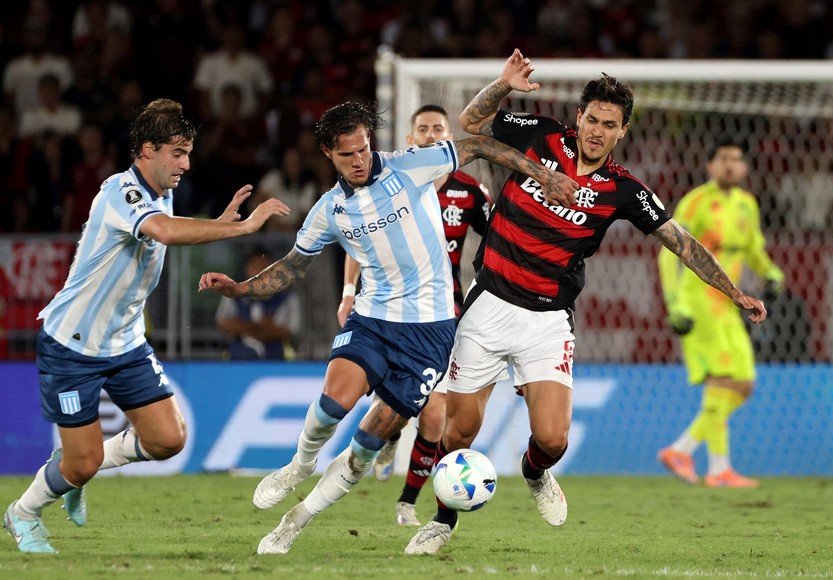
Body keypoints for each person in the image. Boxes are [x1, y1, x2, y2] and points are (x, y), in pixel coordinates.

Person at [404, 49, 769, 555]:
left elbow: (680, 241)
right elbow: (469, 123)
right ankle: (444, 521)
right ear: (579, 117)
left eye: (609, 124)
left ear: (623, 132)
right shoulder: (541, 135)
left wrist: (733, 291)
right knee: (460, 429)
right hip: (488, 304)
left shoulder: (623, 190)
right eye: (592, 119)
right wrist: (503, 84)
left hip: (548, 320)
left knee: (553, 440)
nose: (597, 130)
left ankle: (535, 474)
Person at [198, 101, 579, 555]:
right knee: (331, 403)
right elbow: (292, 268)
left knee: (363, 447)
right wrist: (240, 290)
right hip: (374, 318)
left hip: (430, 334)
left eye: (363, 149)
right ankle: (299, 465)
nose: (359, 160)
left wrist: (545, 175)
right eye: (347, 155)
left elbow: (476, 144)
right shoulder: (329, 210)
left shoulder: (411, 166)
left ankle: (293, 522)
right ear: (327, 153)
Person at [2, 98, 290, 554]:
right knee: (81, 464)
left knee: (168, 439)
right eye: (177, 152)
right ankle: (23, 512)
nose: (186, 164)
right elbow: (167, 232)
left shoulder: (163, 191)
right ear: (147, 150)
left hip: (125, 341)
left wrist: (215, 223)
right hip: (73, 344)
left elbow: (169, 226)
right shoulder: (121, 190)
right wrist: (241, 229)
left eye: (188, 152)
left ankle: (79, 464)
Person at [336, 104, 492, 527]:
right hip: (390, 315)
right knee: (400, 409)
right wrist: (349, 291)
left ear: (447, 137)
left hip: (444, 317)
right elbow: (359, 244)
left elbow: (497, 240)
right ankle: (389, 435)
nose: (429, 135)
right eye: (421, 129)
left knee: (436, 416)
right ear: (410, 140)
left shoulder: (470, 192)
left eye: (438, 128)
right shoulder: (389, 183)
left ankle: (407, 500)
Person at [657, 137, 785, 488]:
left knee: (743, 383)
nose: (730, 165)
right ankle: (717, 468)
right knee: (723, 380)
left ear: (744, 167)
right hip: (699, 301)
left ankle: (687, 452)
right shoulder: (696, 202)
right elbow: (668, 252)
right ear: (710, 166)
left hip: (730, 304)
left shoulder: (747, 204)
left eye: (736, 159)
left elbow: (755, 250)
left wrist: (772, 273)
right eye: (723, 158)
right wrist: (676, 304)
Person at [216, 246, 300, 361]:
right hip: (238, 359)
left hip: (278, 360)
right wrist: (256, 327)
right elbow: (223, 323)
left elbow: (289, 330)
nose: (260, 271)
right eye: (255, 266)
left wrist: (243, 327)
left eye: (265, 267)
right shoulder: (233, 295)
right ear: (246, 268)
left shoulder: (287, 299)